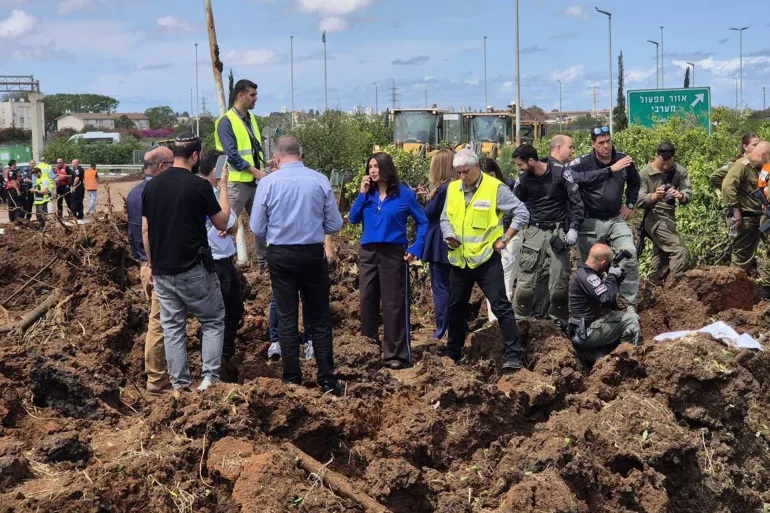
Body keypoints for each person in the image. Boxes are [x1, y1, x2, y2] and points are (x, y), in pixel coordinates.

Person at [250, 136, 343, 395]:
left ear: (277, 157)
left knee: (288, 317)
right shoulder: (319, 180)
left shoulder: (268, 183)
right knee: (320, 317)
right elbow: (335, 224)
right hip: (312, 254)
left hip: (281, 256)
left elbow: (257, 228)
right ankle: (327, 380)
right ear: (300, 154)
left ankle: (292, 379)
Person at [142, 133, 231, 392]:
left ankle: (181, 385)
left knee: (172, 328)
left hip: (162, 270)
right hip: (193, 268)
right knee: (213, 319)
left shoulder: (152, 186)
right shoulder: (199, 186)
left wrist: (151, 264)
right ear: (195, 156)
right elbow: (223, 222)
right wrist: (223, 186)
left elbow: (146, 231)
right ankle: (210, 379)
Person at [440, 149, 530, 370]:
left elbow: (522, 213)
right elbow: (445, 217)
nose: (462, 177)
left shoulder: (494, 188)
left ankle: (513, 355)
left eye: (466, 172)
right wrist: (448, 234)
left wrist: (505, 238)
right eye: (458, 172)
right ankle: (453, 353)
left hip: (486, 259)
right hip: (460, 260)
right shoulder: (453, 189)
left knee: (500, 305)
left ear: (477, 167)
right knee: (455, 307)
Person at [349, 152, 428, 369]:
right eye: (370, 166)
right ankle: (368, 349)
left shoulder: (404, 195)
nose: (373, 170)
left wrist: (416, 247)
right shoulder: (367, 194)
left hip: (394, 252)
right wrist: (361, 194)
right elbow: (353, 218)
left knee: (394, 304)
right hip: (368, 252)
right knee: (367, 301)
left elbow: (423, 222)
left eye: (377, 166)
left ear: (387, 168)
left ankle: (396, 355)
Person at [569, 126, 640, 312]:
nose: (606, 146)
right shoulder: (582, 163)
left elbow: (635, 182)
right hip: (590, 221)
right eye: (601, 143)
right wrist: (609, 170)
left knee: (629, 254)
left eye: (608, 141)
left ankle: (628, 304)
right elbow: (571, 178)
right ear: (593, 144)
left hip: (616, 219)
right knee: (592, 266)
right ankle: (595, 305)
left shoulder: (623, 160)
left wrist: (630, 204)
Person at [512, 143, 584, 326]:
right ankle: (520, 320)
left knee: (559, 283)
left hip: (558, 232)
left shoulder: (560, 173)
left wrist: (574, 227)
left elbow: (576, 203)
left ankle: (558, 323)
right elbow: (514, 204)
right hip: (535, 231)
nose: (519, 168)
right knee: (526, 283)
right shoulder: (524, 179)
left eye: (520, 164)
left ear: (531, 161)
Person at [127, 146, 173, 394]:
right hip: (159, 267)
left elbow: (132, 233)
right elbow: (150, 232)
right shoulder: (157, 193)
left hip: (145, 265)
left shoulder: (135, 193)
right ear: (162, 166)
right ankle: (157, 381)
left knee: (161, 322)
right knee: (160, 324)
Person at [215, 79, 268, 268]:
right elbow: (233, 155)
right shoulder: (226, 122)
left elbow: (253, 148)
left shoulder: (251, 118)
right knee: (225, 225)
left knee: (262, 226)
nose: (256, 99)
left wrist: (265, 163)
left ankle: (265, 267)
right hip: (236, 183)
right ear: (240, 95)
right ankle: (224, 265)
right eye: (252, 95)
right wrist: (257, 172)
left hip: (253, 182)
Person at [198, 150, 245, 362]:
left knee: (235, 309)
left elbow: (233, 224)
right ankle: (212, 359)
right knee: (216, 314)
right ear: (217, 169)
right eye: (225, 167)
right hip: (212, 262)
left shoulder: (219, 194)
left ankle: (225, 354)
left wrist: (227, 225)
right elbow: (223, 221)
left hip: (227, 260)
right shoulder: (202, 191)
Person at [568, 243, 640, 365]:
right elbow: (606, 298)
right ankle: (625, 360)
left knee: (617, 315)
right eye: (608, 263)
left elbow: (605, 295)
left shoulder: (586, 273)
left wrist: (617, 279)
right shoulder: (588, 277)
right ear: (602, 263)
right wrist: (612, 276)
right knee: (631, 320)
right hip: (585, 334)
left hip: (581, 332)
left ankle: (597, 354)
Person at [267, 234, 334, 360]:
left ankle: (309, 339)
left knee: (308, 297)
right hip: (282, 249)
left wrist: (327, 242)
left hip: (307, 249)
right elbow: (258, 227)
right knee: (280, 299)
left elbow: (329, 221)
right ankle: (276, 340)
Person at [722, 140, 770, 300]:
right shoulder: (742, 165)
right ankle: (730, 295)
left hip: (758, 217)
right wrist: (735, 210)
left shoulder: (760, 168)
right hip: (745, 219)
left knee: (756, 257)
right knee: (741, 259)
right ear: (763, 155)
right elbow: (727, 186)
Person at [637, 142, 692, 280]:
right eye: (663, 163)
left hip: (669, 218)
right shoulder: (645, 174)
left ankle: (654, 284)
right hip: (653, 217)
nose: (666, 166)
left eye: (669, 162)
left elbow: (687, 191)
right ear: (656, 156)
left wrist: (681, 195)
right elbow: (638, 200)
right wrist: (655, 195)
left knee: (661, 256)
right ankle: (674, 285)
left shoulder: (679, 171)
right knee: (679, 251)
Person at [478, 157, 523, 322]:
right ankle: (497, 322)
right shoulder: (477, 190)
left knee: (505, 282)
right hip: (488, 241)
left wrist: (506, 237)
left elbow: (518, 213)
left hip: (509, 238)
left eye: (492, 175)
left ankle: (500, 323)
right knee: (494, 283)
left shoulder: (509, 187)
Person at [418, 149, 456, 341]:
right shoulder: (456, 187)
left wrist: (421, 202)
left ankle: (443, 328)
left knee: (440, 287)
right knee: (453, 286)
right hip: (453, 243)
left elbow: (428, 214)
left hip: (439, 245)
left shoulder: (442, 189)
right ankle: (455, 325)